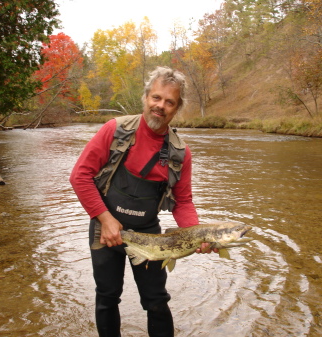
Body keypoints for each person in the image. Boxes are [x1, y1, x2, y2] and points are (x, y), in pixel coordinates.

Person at [70, 66, 216, 337]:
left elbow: (183, 202)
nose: (160, 106)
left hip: (150, 234)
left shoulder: (180, 153)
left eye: (169, 101)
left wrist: (198, 235)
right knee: (107, 296)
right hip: (106, 227)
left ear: (177, 108)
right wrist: (105, 218)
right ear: (146, 97)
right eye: (156, 98)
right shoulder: (115, 130)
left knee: (157, 301)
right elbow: (80, 176)